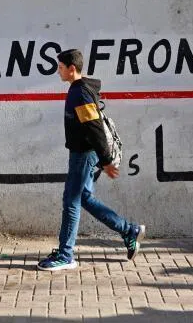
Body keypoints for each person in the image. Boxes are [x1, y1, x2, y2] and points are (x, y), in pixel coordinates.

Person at [37, 48, 145, 271]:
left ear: (71, 69)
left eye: (60, 68)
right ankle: (129, 230)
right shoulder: (79, 88)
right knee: (84, 197)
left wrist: (106, 160)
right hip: (82, 153)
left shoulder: (80, 92)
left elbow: (94, 126)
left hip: (84, 154)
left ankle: (66, 255)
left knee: (71, 201)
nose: (58, 72)